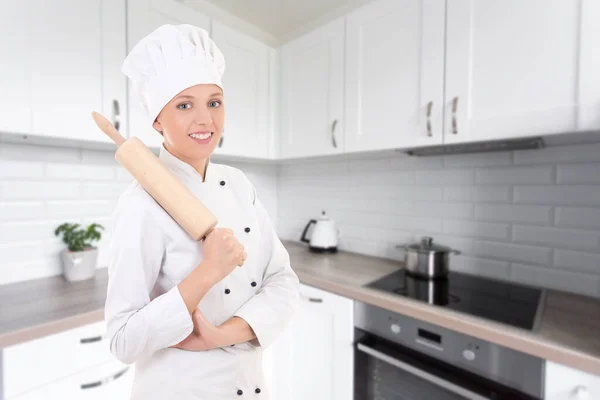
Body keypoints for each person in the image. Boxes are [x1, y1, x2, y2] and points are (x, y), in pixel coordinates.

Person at [104, 24, 300, 399]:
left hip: (250, 382)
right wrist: (208, 271)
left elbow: (283, 281)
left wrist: (224, 335)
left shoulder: (240, 184)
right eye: (183, 105)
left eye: (214, 102)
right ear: (157, 121)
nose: (205, 120)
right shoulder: (141, 203)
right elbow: (123, 340)